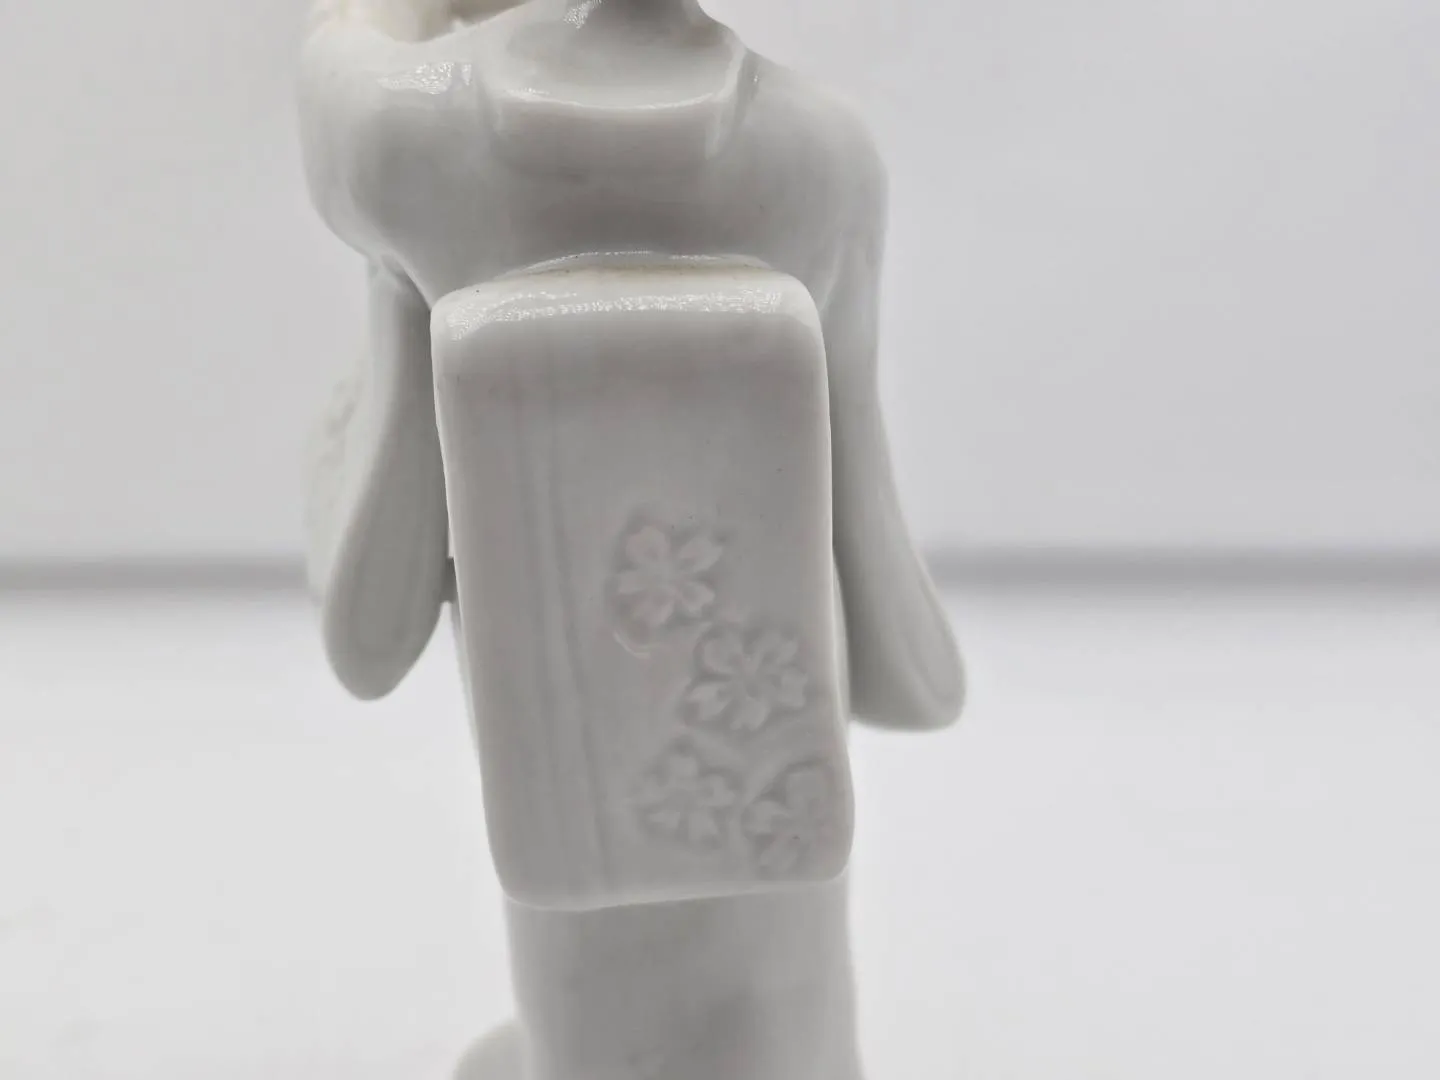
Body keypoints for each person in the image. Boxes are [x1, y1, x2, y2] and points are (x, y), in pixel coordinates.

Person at [298, 2, 963, 1077]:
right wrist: (905, 653)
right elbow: (853, 448)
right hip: (764, 666)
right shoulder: (822, 155)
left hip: (552, 641)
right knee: (769, 920)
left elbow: (339, 62)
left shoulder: (411, 132)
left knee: (579, 907)